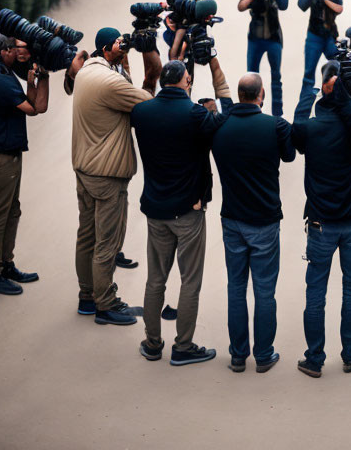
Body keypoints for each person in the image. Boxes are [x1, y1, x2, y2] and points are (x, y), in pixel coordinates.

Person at [130, 57, 233, 366]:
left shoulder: (142, 112)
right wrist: (212, 106)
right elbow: (226, 119)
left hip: (155, 207)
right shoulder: (195, 114)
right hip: (189, 210)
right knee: (190, 281)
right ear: (185, 82)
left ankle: (152, 343)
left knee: (155, 280)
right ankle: (183, 346)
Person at [292, 62, 351, 377]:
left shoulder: (310, 129)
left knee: (315, 291)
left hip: (320, 223)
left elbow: (297, 124)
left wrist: (312, 90)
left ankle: (314, 358)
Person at [71, 28, 161, 324]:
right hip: (107, 174)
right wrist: (148, 59)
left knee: (87, 236)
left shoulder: (88, 70)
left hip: (84, 168)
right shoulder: (110, 82)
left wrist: (123, 58)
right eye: (121, 45)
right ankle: (105, 304)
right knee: (107, 243)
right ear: (110, 48)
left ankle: (87, 297)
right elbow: (149, 103)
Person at [211, 73, 295, 373]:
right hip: (264, 220)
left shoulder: (220, 126)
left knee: (236, 287)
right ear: (261, 95)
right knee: (264, 290)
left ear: (239, 94)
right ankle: (263, 354)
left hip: (232, 218)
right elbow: (289, 156)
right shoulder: (275, 126)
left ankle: (237, 355)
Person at [0, 34, 49, 295]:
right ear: (3, 51)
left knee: (11, 211)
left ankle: (6, 265)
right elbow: (32, 108)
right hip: (0, 156)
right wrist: (40, 79)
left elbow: (26, 105)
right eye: (15, 48)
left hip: (6, 152)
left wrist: (30, 81)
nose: (19, 52)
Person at [238, 0, 289, 117]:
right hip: (255, 37)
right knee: (251, 76)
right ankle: (251, 110)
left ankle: (277, 115)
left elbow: (284, 5)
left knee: (276, 77)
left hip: (273, 37)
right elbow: (241, 6)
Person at [298, 0, 344, 104]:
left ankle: (338, 101)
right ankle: (303, 110)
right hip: (314, 35)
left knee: (339, 68)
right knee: (308, 75)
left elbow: (339, 8)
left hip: (329, 35)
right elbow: (301, 5)